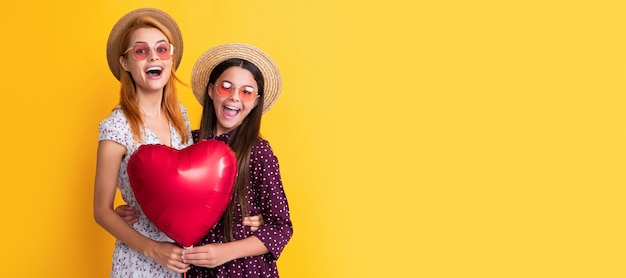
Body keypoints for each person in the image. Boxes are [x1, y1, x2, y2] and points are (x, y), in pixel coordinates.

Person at [93, 8, 193, 277]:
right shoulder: (117, 126)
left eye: (162, 49)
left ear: (170, 60)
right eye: (141, 50)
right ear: (125, 63)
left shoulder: (180, 116)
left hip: (182, 259)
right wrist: (153, 248)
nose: (153, 56)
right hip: (138, 263)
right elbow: (101, 210)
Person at [181, 43, 293, 277]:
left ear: (255, 101)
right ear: (211, 90)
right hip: (198, 272)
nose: (234, 97)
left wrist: (224, 252)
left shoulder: (258, 152)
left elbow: (281, 228)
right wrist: (132, 212)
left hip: (246, 271)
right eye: (226, 87)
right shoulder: (187, 144)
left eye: (246, 91)